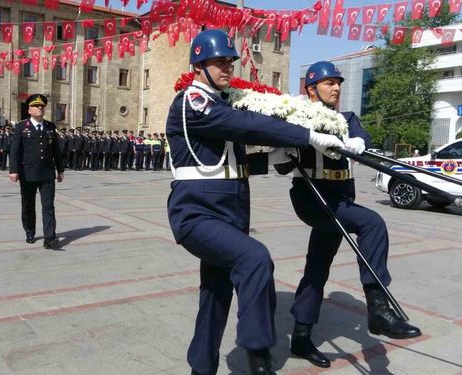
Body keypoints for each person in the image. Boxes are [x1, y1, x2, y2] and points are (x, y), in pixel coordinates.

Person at [166, 30, 344, 375]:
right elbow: (244, 126)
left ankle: (200, 368)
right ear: (199, 62)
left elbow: (228, 164)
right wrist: (308, 135)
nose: (227, 67)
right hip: (197, 213)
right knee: (256, 258)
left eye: (230, 61)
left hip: (230, 214)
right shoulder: (194, 100)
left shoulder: (221, 102)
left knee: (215, 295)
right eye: (219, 61)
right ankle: (258, 352)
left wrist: (280, 158)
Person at [278, 61, 421, 369]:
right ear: (311, 89)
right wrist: (287, 146)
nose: (337, 87)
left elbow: (361, 139)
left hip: (341, 198)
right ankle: (379, 307)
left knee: (317, 268)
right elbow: (280, 162)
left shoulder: (347, 118)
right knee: (373, 223)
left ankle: (301, 335)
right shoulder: (299, 118)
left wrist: (356, 142)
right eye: (329, 82)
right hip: (313, 198)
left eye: (338, 82)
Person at [9, 94, 64, 250]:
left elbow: (56, 150)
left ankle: (50, 238)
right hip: (28, 172)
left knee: (48, 206)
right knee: (28, 205)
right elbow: (15, 151)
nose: (40, 108)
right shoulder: (21, 127)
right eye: (36, 106)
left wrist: (60, 169)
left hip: (47, 172)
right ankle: (30, 231)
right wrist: (13, 170)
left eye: (42, 106)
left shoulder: (50, 126)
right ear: (29, 110)